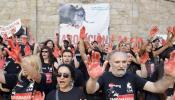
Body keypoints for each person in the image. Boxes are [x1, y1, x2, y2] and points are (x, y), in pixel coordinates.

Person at [86, 51, 174, 100]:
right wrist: (93, 78)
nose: (121, 65)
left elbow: (156, 88)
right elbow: (90, 90)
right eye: (117, 62)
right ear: (111, 63)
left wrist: (169, 77)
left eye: (124, 62)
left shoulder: (133, 77)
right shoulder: (105, 76)